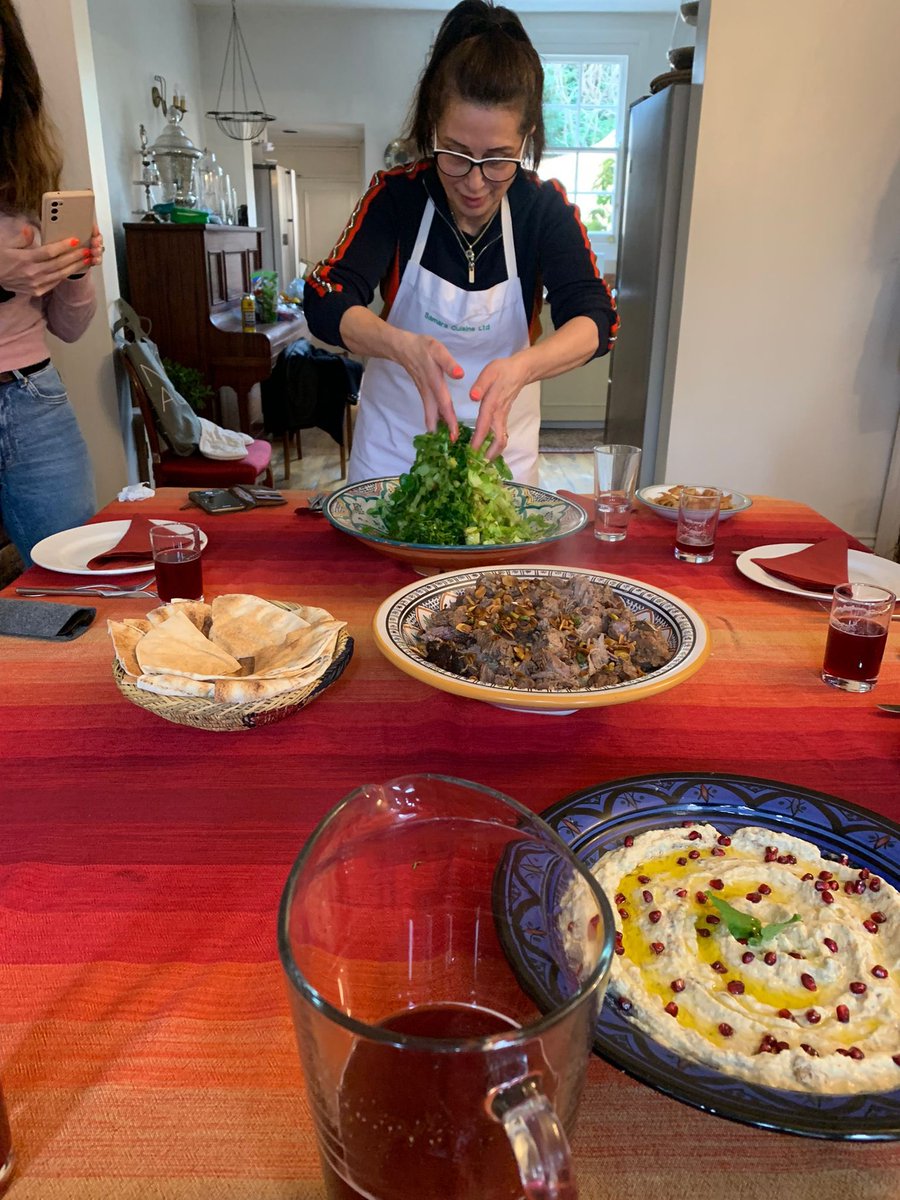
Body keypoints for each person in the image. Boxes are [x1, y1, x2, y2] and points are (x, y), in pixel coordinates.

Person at [304, 0, 618, 485]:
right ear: (432, 127)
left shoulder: (542, 208)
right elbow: (325, 295)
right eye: (455, 154)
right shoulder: (396, 197)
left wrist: (523, 369)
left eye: (499, 159)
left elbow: (596, 319)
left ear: (527, 139)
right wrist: (401, 346)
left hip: (501, 469)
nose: (475, 183)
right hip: (392, 461)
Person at [0, 0, 103, 566]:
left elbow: (67, 327)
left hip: (33, 393)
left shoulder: (24, 165)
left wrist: (75, 270)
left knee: (78, 572)